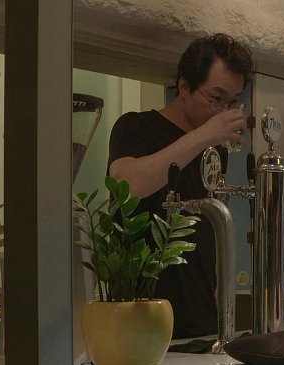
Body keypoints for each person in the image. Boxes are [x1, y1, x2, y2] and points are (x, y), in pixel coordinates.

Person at [108, 34, 253, 338]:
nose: (223, 111)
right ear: (184, 86)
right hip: (143, 322)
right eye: (216, 98)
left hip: (203, 318)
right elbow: (127, 183)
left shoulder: (216, 148)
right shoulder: (136, 126)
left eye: (231, 102)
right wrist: (204, 135)